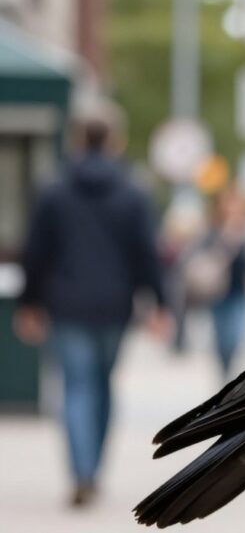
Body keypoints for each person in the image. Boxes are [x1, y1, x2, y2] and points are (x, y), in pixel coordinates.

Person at [14, 115, 171, 507]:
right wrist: (161, 303)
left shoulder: (53, 191)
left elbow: (35, 253)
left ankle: (81, 471)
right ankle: (93, 469)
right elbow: (147, 255)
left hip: (66, 305)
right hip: (115, 306)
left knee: (76, 387)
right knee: (102, 385)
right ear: (115, 141)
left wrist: (29, 303)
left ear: (78, 140)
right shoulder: (133, 193)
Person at [185, 184, 245, 378]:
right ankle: (223, 371)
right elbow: (202, 257)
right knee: (221, 340)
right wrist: (226, 241)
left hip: (239, 292)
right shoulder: (213, 231)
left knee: (235, 336)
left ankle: (228, 369)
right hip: (217, 292)